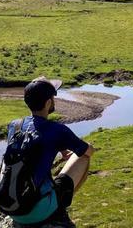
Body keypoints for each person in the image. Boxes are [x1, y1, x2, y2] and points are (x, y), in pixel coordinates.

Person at [8, 79, 94, 228]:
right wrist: (68, 147)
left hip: (11, 205)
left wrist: (60, 148)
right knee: (84, 157)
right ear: (48, 103)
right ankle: (58, 207)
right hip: (38, 212)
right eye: (53, 98)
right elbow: (88, 150)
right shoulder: (56, 129)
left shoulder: (14, 126)